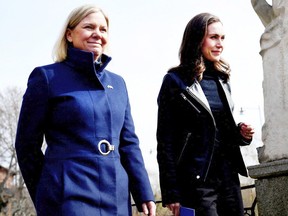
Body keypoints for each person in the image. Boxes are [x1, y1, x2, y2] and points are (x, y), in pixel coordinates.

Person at [15, 4, 156, 216]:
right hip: (68, 196)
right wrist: (47, 193)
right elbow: (26, 145)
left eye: (103, 29)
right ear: (69, 34)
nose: (97, 34)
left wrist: (143, 191)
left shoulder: (118, 84)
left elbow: (128, 143)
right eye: (89, 27)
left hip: (116, 197)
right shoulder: (46, 77)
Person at [156, 13, 254, 216]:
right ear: (197, 38)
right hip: (196, 182)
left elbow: (219, 130)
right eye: (214, 37)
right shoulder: (175, 81)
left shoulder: (222, 79)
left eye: (223, 38)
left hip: (228, 178)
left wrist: (241, 134)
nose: (220, 44)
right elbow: (165, 141)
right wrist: (171, 192)